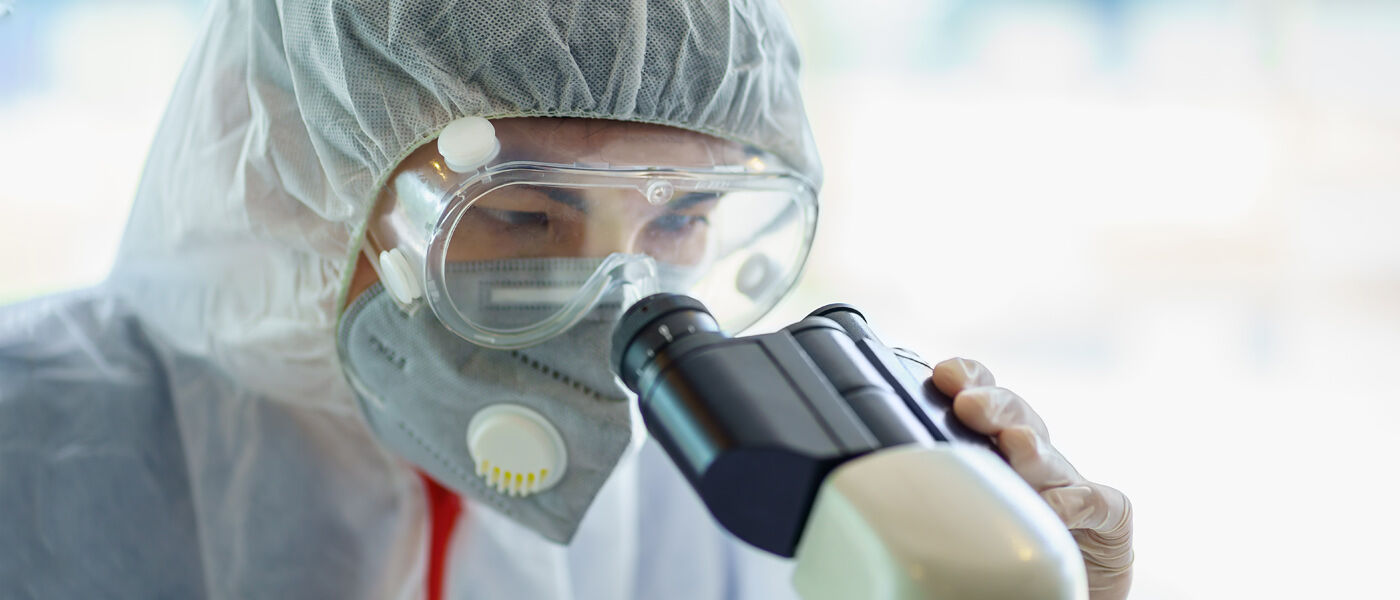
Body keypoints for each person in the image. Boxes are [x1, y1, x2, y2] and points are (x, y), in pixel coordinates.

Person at [0, 0, 1132, 599]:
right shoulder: (33, 456)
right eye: (525, 217)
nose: (618, 304)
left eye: (680, 219)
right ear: (293, 153)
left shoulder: (712, 509)